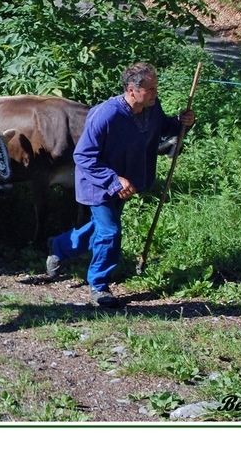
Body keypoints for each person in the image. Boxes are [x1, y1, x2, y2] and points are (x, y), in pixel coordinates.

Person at [47, 62, 195, 308]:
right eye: (150, 88)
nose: (155, 93)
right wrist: (113, 180)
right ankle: (99, 286)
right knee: (110, 231)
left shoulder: (151, 107)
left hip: (126, 183)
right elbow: (83, 156)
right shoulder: (107, 114)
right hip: (98, 182)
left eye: (156, 87)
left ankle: (60, 246)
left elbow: (162, 128)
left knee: (101, 227)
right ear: (131, 89)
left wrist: (182, 122)